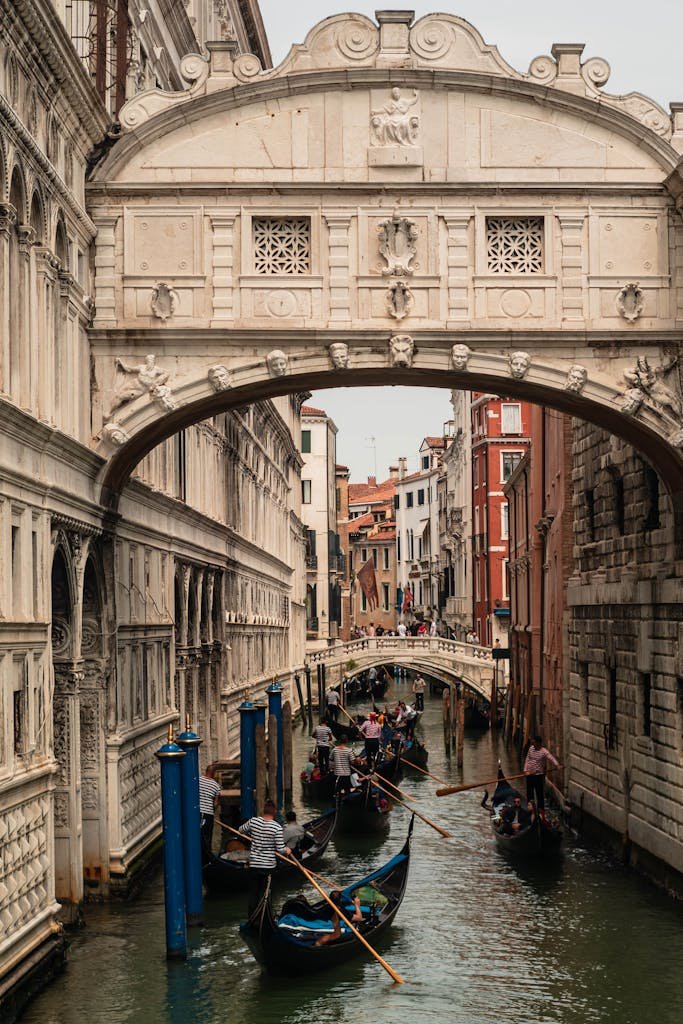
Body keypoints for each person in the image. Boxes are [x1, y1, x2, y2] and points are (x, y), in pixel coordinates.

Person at [239, 798, 291, 913]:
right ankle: (265, 914)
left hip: (254, 864)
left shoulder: (253, 821)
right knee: (266, 894)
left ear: (263, 811)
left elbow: (240, 830)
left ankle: (252, 916)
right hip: (268, 867)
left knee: (254, 893)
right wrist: (287, 850)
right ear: (274, 812)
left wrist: (253, 834)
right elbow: (280, 849)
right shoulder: (277, 827)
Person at [524, 735, 560, 816]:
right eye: (533, 743)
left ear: (539, 743)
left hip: (538, 776)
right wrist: (525, 770)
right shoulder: (531, 748)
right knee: (529, 794)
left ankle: (541, 813)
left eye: (535, 743)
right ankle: (530, 811)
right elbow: (527, 759)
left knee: (539, 794)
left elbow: (551, 757)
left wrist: (557, 765)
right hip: (529, 774)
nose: (533, 744)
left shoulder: (544, 751)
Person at [198, 765, 221, 852]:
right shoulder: (216, 786)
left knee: (197, 834)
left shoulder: (198, 780)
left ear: (205, 771)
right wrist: (213, 811)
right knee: (207, 836)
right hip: (208, 814)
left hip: (197, 812)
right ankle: (207, 854)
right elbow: (215, 803)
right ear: (214, 774)